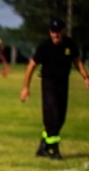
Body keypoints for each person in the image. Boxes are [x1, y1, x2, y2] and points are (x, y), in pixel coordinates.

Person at [21, 18, 89, 160]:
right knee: (53, 116)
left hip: (63, 85)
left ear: (63, 31)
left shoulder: (69, 45)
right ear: (50, 32)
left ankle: (44, 145)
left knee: (60, 119)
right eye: (53, 32)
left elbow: (77, 62)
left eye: (58, 32)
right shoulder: (45, 47)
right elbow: (31, 67)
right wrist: (25, 87)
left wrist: (86, 77)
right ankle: (53, 150)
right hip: (48, 85)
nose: (55, 35)